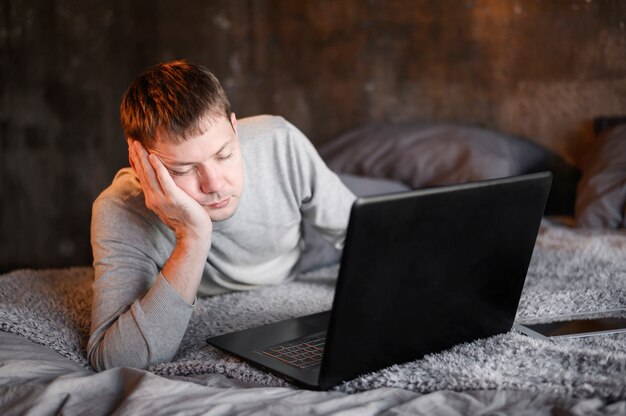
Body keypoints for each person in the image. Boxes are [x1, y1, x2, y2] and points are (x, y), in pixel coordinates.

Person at [87, 60, 356, 371]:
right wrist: (193, 237)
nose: (215, 184)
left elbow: (365, 234)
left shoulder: (280, 142)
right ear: (141, 164)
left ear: (234, 126)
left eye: (224, 154)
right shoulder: (118, 209)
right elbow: (115, 360)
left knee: (391, 198)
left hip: (310, 238)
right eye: (182, 170)